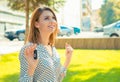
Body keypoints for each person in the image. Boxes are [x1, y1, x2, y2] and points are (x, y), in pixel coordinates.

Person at [19, 7, 73, 82]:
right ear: (36, 24)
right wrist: (31, 68)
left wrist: (68, 60)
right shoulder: (29, 49)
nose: (52, 21)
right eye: (46, 18)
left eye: (53, 18)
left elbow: (57, 79)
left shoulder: (52, 48)